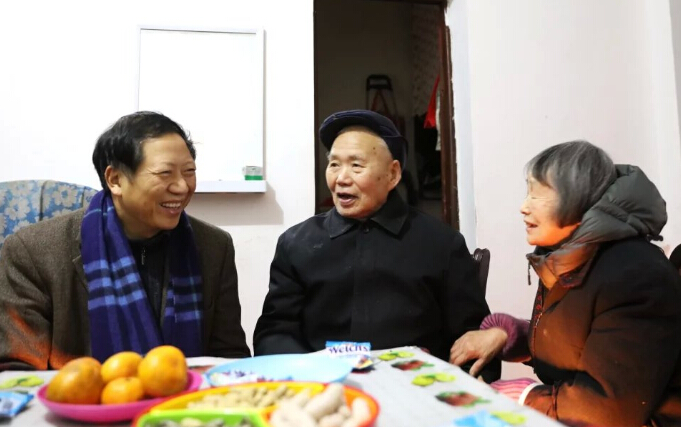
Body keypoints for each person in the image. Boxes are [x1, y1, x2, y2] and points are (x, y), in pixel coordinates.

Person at [253, 109, 500, 380]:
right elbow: (275, 331)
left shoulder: (441, 244)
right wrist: (308, 377)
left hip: (416, 390)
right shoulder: (297, 243)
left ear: (393, 174)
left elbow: (474, 341)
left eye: (356, 166)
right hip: (320, 388)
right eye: (334, 164)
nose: (341, 178)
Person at [449, 141, 681, 427]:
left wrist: (522, 396)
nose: (523, 207)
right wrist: (509, 336)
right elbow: (582, 343)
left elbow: (608, 408)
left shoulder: (635, 275)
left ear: (578, 197)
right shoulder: (566, 256)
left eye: (537, 195)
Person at [0, 111, 250, 370]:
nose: (182, 187)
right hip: (77, 396)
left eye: (189, 172)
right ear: (115, 179)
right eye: (165, 173)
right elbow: (17, 371)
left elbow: (231, 359)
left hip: (191, 395)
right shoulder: (33, 252)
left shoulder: (213, 247)